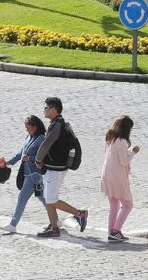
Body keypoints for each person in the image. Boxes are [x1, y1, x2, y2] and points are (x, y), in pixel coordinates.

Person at [32, 97, 89, 237]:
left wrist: (38, 159)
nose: (44, 110)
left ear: (53, 110)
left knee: (51, 199)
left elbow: (46, 144)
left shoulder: (56, 125)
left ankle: (79, 214)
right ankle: (54, 227)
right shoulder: (59, 123)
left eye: (46, 108)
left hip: (55, 169)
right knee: (48, 198)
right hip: (55, 167)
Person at [0, 115, 47, 234]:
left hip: (34, 174)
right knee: (43, 197)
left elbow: (42, 155)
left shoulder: (41, 138)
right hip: (28, 173)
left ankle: (13, 224)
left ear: (35, 126)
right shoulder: (29, 137)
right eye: (26, 127)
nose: (26, 130)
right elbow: (21, 153)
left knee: (22, 198)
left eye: (28, 127)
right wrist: (9, 163)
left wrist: (29, 158)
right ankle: (56, 220)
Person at [100, 115, 140, 242]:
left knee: (114, 206)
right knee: (128, 205)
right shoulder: (122, 141)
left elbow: (115, 156)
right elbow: (123, 161)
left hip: (107, 175)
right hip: (118, 178)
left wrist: (128, 151)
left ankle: (111, 232)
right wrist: (133, 152)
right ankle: (116, 231)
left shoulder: (110, 138)